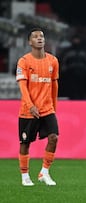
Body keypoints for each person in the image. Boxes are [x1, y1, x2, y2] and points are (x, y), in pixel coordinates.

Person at [16, 28, 60, 186]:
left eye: (41, 36)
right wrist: (30, 105)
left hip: (47, 109)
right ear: (30, 42)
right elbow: (22, 86)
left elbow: (54, 84)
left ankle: (45, 172)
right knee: (25, 144)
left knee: (54, 137)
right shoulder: (24, 61)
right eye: (35, 37)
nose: (39, 38)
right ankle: (25, 176)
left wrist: (54, 106)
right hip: (29, 111)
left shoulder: (53, 61)